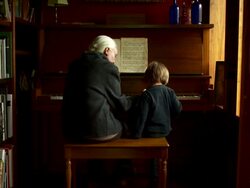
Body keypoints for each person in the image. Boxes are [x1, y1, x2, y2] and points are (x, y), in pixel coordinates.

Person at [62, 35, 135, 143]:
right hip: (97, 132)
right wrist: (137, 99)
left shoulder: (74, 65)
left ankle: (94, 160)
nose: (114, 61)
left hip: (73, 131)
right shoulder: (108, 67)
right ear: (107, 50)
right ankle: (123, 159)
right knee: (126, 126)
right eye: (114, 55)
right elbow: (120, 105)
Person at [131, 61, 182, 138]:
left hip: (149, 133)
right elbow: (178, 109)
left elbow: (141, 118)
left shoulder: (147, 94)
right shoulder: (170, 91)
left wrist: (136, 136)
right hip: (166, 131)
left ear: (148, 76)